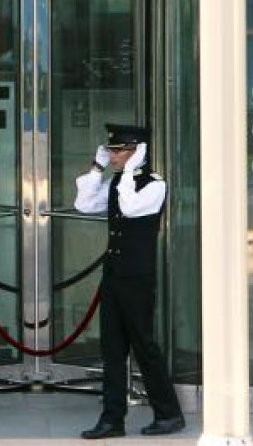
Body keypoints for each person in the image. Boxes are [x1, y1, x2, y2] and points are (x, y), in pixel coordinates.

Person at [74, 123, 185, 439]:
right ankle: (112, 419)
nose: (113, 156)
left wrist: (125, 175)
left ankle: (169, 413)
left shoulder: (154, 184)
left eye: (119, 151)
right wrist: (97, 169)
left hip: (137, 278)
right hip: (114, 275)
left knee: (144, 345)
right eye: (111, 150)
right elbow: (84, 204)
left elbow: (131, 208)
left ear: (138, 152)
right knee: (111, 349)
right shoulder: (116, 182)